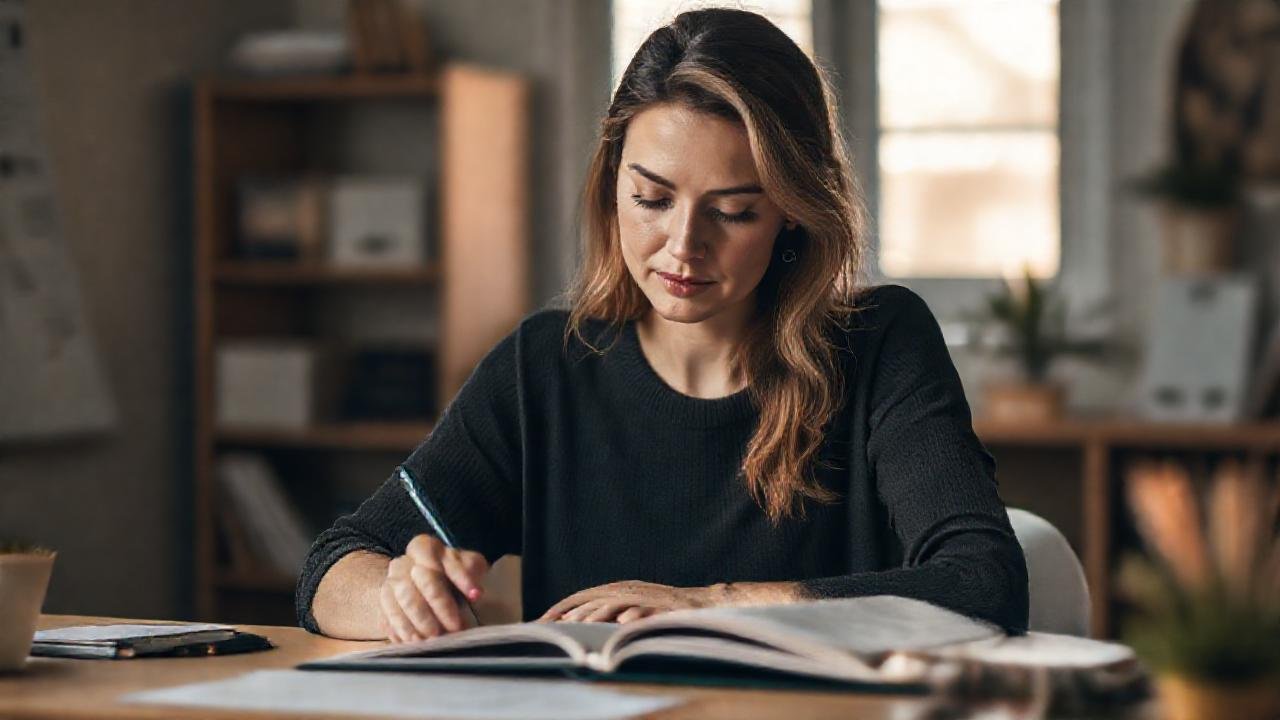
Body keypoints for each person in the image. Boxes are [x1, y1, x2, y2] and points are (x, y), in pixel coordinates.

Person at [297, 8, 1029, 642]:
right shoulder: (545, 365)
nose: (684, 246)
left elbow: (984, 582)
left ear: (791, 212)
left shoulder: (878, 345)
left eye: (734, 212)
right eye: (651, 199)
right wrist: (398, 593)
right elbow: (331, 567)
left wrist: (715, 605)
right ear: (612, 183)